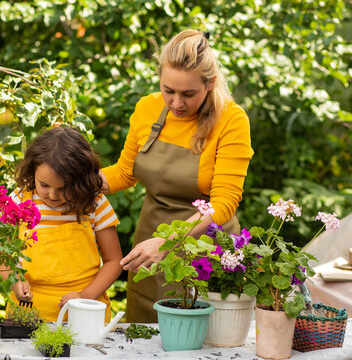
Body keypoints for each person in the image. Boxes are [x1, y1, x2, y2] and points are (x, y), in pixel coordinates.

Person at [100, 29, 254, 322]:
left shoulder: (231, 120)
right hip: (148, 249)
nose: (176, 103)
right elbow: (124, 173)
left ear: (211, 83)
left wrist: (169, 241)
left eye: (188, 94)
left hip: (205, 253)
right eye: (168, 90)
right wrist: (77, 183)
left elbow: (223, 204)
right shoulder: (147, 107)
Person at [10, 126, 123, 322]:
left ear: (82, 180)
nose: (52, 196)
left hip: (84, 311)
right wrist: (13, 280)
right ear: (32, 169)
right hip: (30, 309)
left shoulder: (94, 204)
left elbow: (114, 262)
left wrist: (84, 296)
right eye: (44, 185)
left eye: (64, 188)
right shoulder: (20, 201)